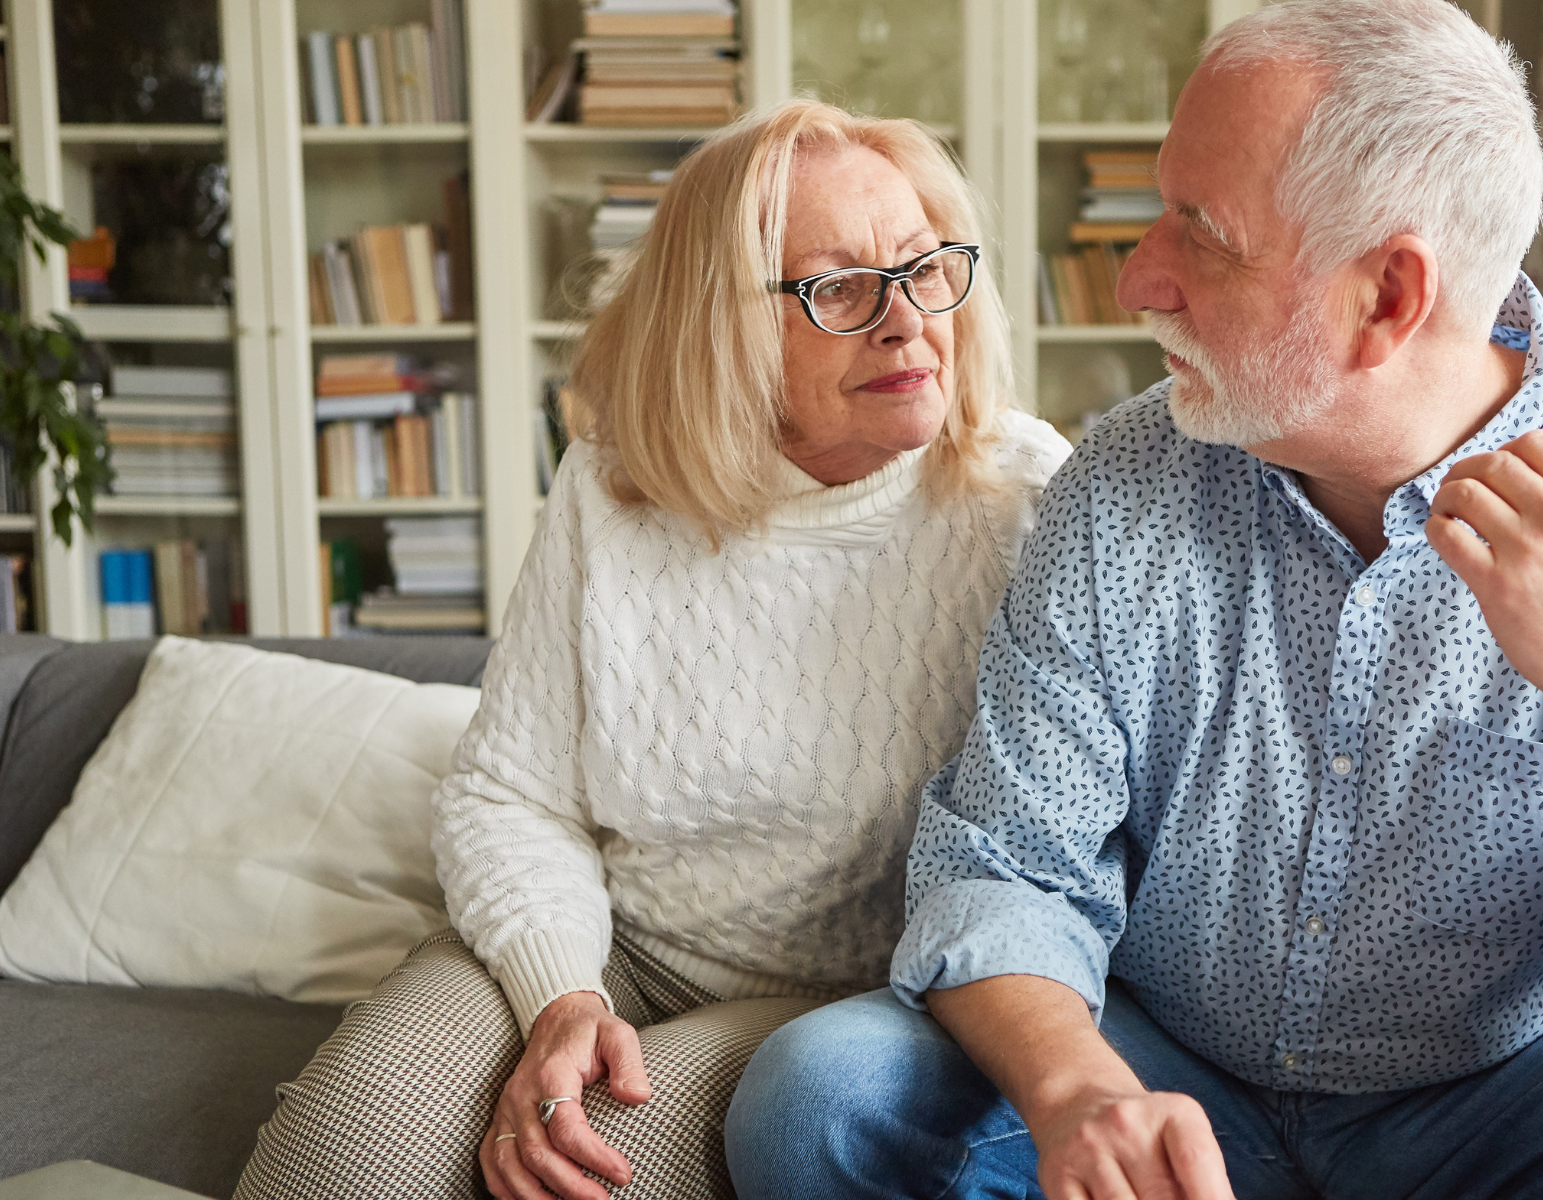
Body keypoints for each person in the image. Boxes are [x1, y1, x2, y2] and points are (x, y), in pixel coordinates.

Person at [724, 4, 1543, 1198]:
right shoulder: (1124, 481)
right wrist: (1075, 1093)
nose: (1138, 278)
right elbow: (1006, 867)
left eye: (1198, 234)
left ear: (1387, 297)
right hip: (1168, 1063)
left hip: (1521, 1089)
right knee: (821, 1099)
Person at [234, 99, 1070, 1200]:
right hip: (615, 944)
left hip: (848, 1000)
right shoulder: (613, 486)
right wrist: (560, 998)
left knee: (571, 1175)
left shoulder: (1026, 497)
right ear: (719, 321)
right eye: (837, 288)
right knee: (341, 1160)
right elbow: (510, 794)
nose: (907, 321)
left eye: (925, 269)